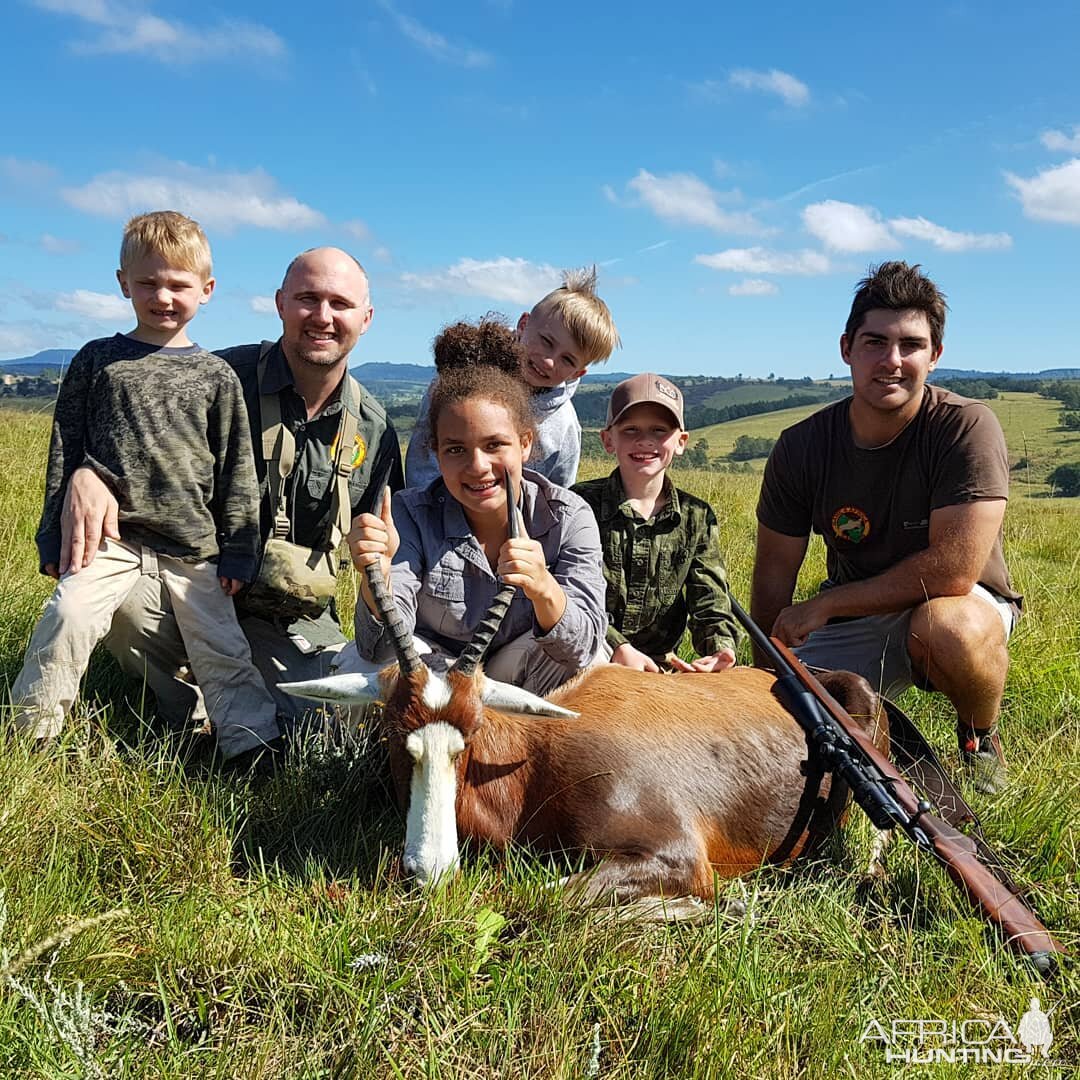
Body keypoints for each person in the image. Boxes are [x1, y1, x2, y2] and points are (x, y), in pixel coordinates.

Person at [54, 246, 404, 764]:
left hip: (289, 621)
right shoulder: (218, 378)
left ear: (366, 319)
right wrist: (89, 471)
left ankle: (238, 708)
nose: (323, 317)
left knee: (328, 735)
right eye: (308, 298)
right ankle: (185, 711)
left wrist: (384, 558)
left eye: (340, 303)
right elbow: (127, 438)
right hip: (186, 586)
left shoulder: (374, 431)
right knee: (125, 606)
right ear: (281, 302)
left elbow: (387, 560)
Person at [11, 211, 278, 759]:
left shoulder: (216, 376)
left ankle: (250, 746)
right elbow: (65, 448)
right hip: (111, 538)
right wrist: (49, 539)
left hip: (194, 546)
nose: (163, 297)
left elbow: (237, 472)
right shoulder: (98, 361)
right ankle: (31, 733)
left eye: (178, 285)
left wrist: (240, 553)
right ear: (122, 283)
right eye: (148, 283)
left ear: (206, 290)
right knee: (67, 616)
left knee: (222, 650)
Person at [751, 261, 1021, 793]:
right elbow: (774, 571)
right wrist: (765, 674)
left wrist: (825, 605)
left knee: (949, 630)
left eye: (911, 345)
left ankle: (978, 737)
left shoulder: (966, 425)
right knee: (776, 709)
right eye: (875, 343)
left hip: (960, 604)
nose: (892, 361)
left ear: (935, 356)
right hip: (857, 613)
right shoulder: (802, 446)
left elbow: (954, 569)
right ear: (847, 348)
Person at [348, 322, 606, 695]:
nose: (477, 467)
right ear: (435, 451)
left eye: (495, 445)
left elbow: (584, 648)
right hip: (434, 676)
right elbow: (375, 646)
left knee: (594, 672)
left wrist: (544, 588)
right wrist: (378, 577)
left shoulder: (569, 517)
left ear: (525, 444)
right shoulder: (408, 514)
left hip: (516, 674)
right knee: (359, 667)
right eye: (456, 449)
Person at [573, 373, 740, 673]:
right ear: (608, 439)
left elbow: (710, 601)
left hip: (660, 669)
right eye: (631, 429)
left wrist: (719, 649)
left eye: (659, 430)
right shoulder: (579, 504)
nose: (645, 441)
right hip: (589, 655)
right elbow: (569, 593)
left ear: (681, 442)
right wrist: (616, 646)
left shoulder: (696, 517)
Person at [404, 267, 620, 489]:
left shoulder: (564, 426)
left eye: (567, 360)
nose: (549, 361)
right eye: (546, 341)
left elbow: (558, 496)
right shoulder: (455, 385)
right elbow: (421, 468)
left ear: (578, 373)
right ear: (523, 325)